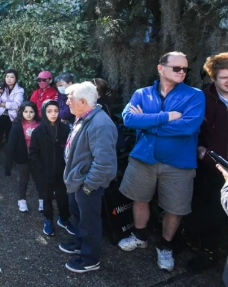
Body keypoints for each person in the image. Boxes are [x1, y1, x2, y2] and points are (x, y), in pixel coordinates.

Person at [118, 51, 205, 272]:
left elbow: (188, 127)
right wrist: (166, 116)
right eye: (177, 68)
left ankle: (165, 246)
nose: (182, 72)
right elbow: (129, 119)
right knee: (139, 199)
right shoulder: (142, 93)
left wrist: (146, 122)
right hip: (143, 158)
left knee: (174, 209)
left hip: (179, 163)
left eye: (185, 69)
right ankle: (139, 235)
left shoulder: (195, 95)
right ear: (161, 68)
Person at [59, 81, 117, 273]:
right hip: (78, 180)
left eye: (70, 98)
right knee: (80, 217)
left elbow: (104, 163)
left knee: (89, 221)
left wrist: (88, 186)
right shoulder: (85, 116)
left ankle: (90, 259)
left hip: (86, 184)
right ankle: (80, 244)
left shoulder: (100, 125)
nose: (67, 102)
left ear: (83, 101)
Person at [186, 52, 228, 270]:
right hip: (211, 166)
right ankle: (207, 254)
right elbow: (193, 130)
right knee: (208, 211)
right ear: (213, 79)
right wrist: (200, 147)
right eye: (224, 78)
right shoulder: (202, 99)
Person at [30, 100, 75, 237]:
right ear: (44, 112)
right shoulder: (38, 131)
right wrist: (40, 168)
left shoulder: (65, 129)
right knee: (46, 197)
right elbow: (33, 153)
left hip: (61, 170)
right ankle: (48, 219)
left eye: (56, 111)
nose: (53, 114)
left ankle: (64, 218)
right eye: (49, 111)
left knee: (62, 196)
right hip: (45, 171)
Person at [6, 101, 42, 212]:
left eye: (31, 112)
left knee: (39, 180)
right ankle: (22, 200)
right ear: (21, 112)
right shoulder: (17, 126)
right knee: (23, 180)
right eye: (26, 111)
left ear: (35, 112)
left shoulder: (40, 124)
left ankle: (42, 200)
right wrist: (8, 165)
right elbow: (11, 145)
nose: (29, 114)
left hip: (37, 158)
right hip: (23, 159)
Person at [0, 69, 24, 164]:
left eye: (12, 77)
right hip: (0, 115)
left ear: (16, 79)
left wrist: (3, 104)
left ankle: (10, 160)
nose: (9, 79)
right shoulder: (1, 88)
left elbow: (17, 105)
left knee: (10, 139)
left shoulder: (20, 90)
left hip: (11, 118)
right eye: (7, 77)